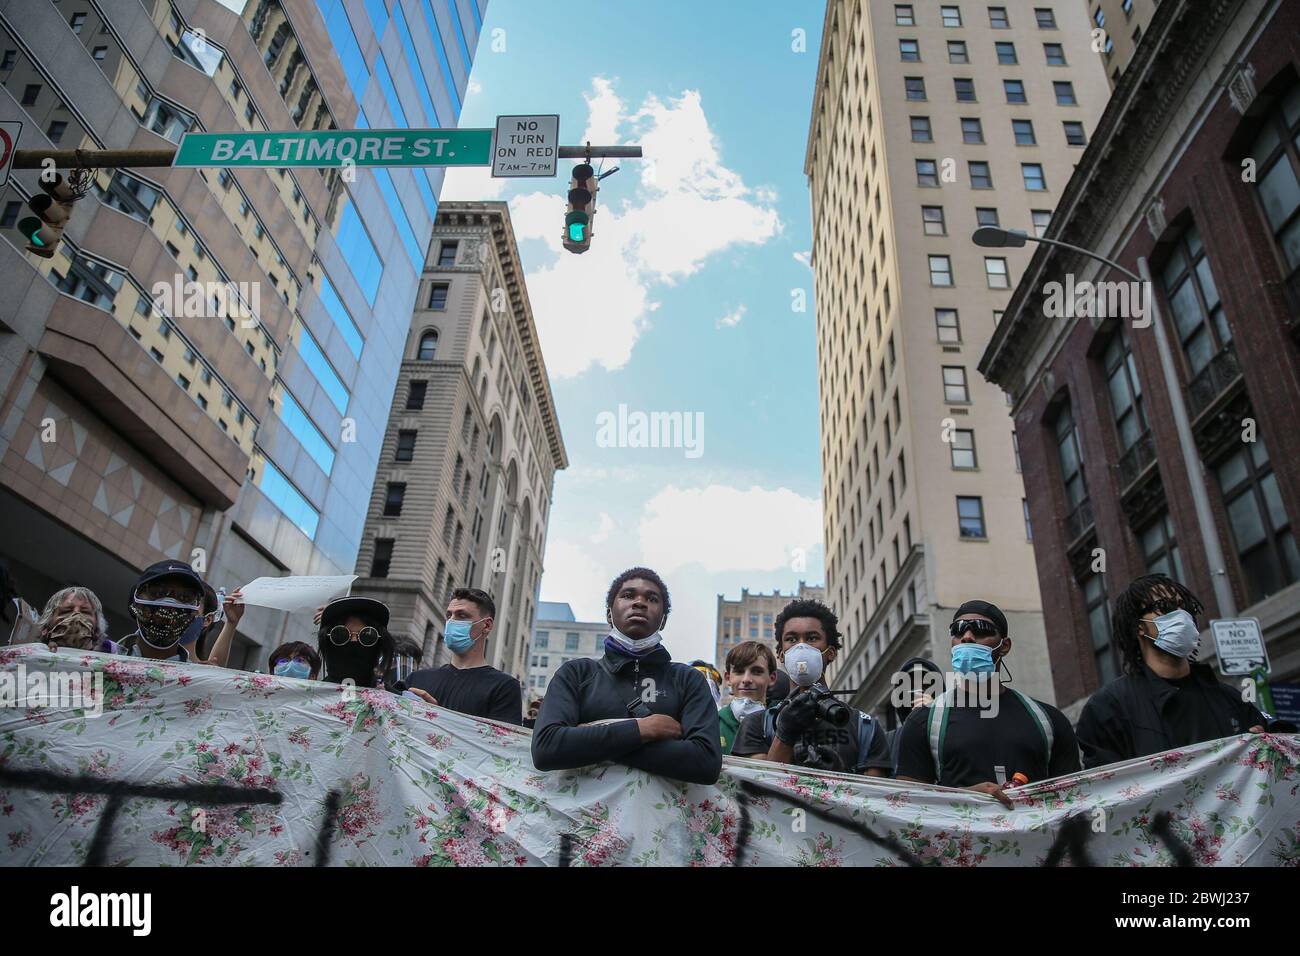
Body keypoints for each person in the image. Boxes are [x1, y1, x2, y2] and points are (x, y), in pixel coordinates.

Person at [531, 567, 723, 785]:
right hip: (582, 817)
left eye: (652, 598)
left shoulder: (688, 680)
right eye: (628, 595)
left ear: (663, 620)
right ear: (609, 614)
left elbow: (706, 763)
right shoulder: (576, 673)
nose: (639, 602)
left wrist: (588, 738)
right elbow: (546, 748)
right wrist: (644, 730)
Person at [895, 600, 1080, 808]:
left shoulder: (1049, 720)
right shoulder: (923, 722)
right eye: (957, 631)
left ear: (1005, 646)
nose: (967, 637)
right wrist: (968, 797)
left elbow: (1074, 799)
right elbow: (907, 806)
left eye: (981, 630)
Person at [1075, 574, 1268, 769]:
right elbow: (1107, 788)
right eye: (1164, 607)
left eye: (1183, 606)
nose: (1180, 614)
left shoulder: (1229, 698)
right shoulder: (1108, 708)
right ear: (1140, 627)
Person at [731, 599, 892, 776]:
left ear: (831, 653)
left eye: (812, 638)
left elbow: (875, 798)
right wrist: (785, 733)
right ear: (781, 655)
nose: (801, 646)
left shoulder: (865, 728)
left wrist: (841, 778)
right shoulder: (757, 725)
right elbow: (758, 791)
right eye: (791, 639)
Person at [405, 588, 522, 725]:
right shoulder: (417, 679)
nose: (451, 622)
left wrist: (437, 719)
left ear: (487, 625)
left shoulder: (504, 687)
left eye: (462, 616)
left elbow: (499, 744)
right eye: (449, 616)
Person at [118, 561, 207, 662]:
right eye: (158, 593)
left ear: (195, 613)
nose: (169, 605)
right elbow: (99, 678)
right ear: (134, 600)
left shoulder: (196, 676)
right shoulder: (101, 662)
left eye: (184, 597)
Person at [317, 596, 394, 688]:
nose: (354, 641)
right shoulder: (306, 698)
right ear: (326, 641)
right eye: (341, 635)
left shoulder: (399, 700)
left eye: (366, 636)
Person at [885, 657, 944, 774]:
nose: (919, 693)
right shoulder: (889, 741)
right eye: (911, 688)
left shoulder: (955, 732)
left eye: (927, 686)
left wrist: (934, 713)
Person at [718, 641, 778, 755]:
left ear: (772, 678)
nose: (746, 679)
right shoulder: (711, 724)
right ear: (727, 678)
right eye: (739, 671)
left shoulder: (781, 724)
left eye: (756, 672)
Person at [34, 586, 110, 651]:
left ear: (97, 630)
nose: (76, 615)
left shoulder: (113, 664)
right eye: (66, 611)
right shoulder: (25, 658)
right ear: (46, 629)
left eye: (85, 612)